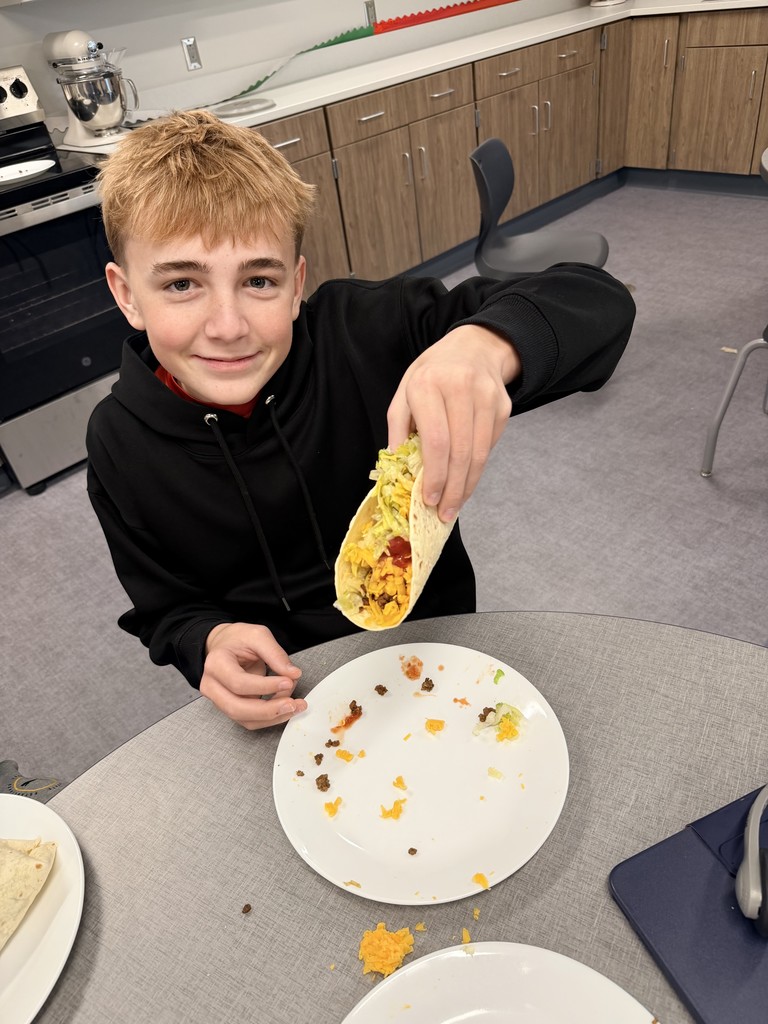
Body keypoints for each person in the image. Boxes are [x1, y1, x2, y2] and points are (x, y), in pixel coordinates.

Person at [87, 109, 635, 731]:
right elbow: (166, 608)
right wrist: (205, 643)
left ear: (296, 286)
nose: (228, 326)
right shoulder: (118, 444)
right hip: (292, 695)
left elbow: (598, 301)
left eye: (259, 280)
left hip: (439, 645)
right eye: (182, 284)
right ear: (127, 294)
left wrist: (484, 346)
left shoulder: (370, 334)